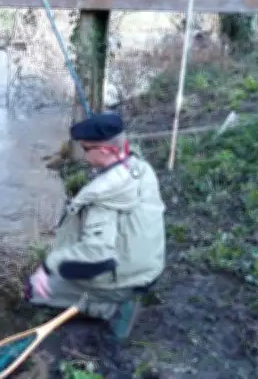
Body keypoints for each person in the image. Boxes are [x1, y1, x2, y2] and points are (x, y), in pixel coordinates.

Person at [23, 113, 166, 341]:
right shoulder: (140, 168)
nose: (83, 154)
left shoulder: (101, 196)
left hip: (129, 278)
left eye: (86, 149)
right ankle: (111, 298)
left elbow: (97, 252)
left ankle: (107, 307)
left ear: (105, 151)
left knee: (34, 290)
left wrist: (47, 266)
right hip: (151, 265)